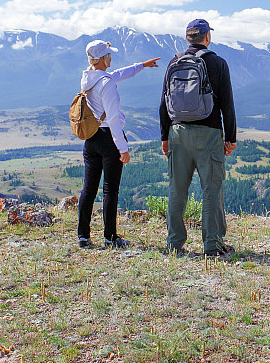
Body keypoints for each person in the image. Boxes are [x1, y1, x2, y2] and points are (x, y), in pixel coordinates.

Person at [159, 19, 237, 257]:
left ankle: (174, 244)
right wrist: (230, 137)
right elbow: (227, 104)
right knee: (212, 189)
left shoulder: (175, 62)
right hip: (209, 133)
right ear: (207, 37)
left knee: (177, 190)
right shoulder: (217, 63)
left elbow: (164, 103)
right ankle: (212, 245)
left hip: (177, 133)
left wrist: (165, 136)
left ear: (187, 38)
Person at [78, 40, 160, 250]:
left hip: (91, 138)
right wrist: (122, 149)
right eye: (109, 55)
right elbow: (113, 119)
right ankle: (110, 237)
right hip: (108, 139)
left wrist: (142, 65)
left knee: (88, 188)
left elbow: (120, 73)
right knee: (109, 190)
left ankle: (83, 236)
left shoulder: (89, 79)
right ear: (103, 58)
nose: (111, 59)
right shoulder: (106, 84)